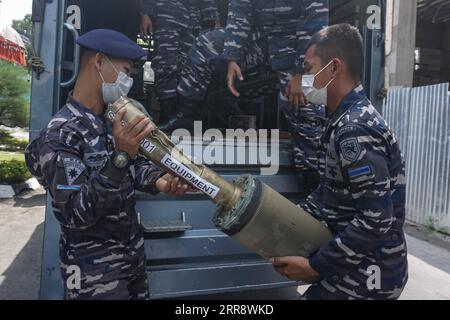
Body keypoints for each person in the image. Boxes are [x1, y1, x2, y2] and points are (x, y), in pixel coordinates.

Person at [25, 29, 195, 300]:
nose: (128, 81)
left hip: (131, 256)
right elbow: (74, 213)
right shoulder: (60, 134)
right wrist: (120, 157)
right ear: (100, 61)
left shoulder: (109, 120)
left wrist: (161, 181)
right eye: (126, 71)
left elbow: (135, 167)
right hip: (93, 271)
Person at [271, 24, 408, 300]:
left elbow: (376, 219)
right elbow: (329, 192)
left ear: (334, 68)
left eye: (309, 70)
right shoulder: (340, 120)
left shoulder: (354, 129)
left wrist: (314, 266)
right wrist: (284, 224)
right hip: (355, 259)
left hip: (372, 269)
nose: (305, 79)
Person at [160, 0, 329, 183]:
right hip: (260, 40)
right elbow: (239, 11)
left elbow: (316, 24)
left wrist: (302, 72)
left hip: (301, 50)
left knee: (307, 118)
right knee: (206, 44)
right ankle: (186, 114)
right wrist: (232, 56)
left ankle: (315, 186)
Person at [139, 0, 219, 123]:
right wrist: (145, 13)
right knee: (165, 64)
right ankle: (168, 115)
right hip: (167, 12)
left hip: (193, 18)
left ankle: (181, 115)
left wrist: (212, 15)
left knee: (189, 68)